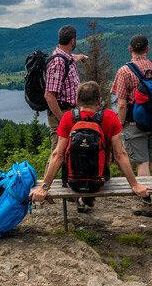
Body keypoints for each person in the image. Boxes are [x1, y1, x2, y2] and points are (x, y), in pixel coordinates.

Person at [30, 81, 152, 207]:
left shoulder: (68, 117)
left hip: (73, 182)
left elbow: (57, 155)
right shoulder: (110, 117)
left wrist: (44, 187)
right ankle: (84, 200)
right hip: (99, 181)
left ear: (77, 101)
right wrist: (134, 185)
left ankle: (81, 200)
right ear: (99, 101)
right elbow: (120, 155)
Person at [110, 34, 152, 217]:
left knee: (142, 163)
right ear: (147, 49)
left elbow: (121, 104)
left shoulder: (124, 71)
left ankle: (146, 204)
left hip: (135, 124)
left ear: (130, 49)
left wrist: (119, 125)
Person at [44, 25, 87, 187]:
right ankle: (44, 192)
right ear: (73, 41)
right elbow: (49, 96)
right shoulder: (58, 63)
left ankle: (67, 184)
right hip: (60, 112)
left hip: (68, 111)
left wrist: (80, 57)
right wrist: (63, 120)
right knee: (58, 151)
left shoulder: (66, 57)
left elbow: (70, 58)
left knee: (69, 149)